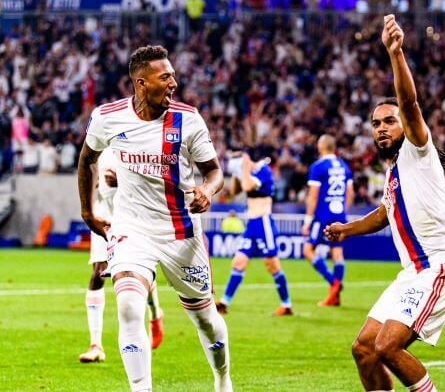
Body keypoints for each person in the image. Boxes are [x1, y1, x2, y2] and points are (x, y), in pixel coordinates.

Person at [325, 15, 445, 392]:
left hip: (439, 266)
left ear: (405, 124)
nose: (382, 128)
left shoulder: (418, 152)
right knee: (364, 349)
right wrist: (347, 229)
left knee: (388, 346)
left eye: (389, 121)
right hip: (412, 272)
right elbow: (384, 214)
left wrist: (395, 53)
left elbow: (409, 101)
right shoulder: (394, 173)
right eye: (376, 124)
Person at [78, 45, 231, 391]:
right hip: (131, 229)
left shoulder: (188, 119)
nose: (174, 82)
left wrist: (208, 190)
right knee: (129, 307)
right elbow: (87, 158)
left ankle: (223, 379)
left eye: (173, 75)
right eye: (165, 77)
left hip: (181, 232)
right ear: (142, 83)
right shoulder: (108, 117)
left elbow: (214, 171)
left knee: (206, 320)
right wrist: (87, 211)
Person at [79, 148, 165, 363]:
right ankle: (96, 345)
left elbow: (152, 181)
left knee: (137, 272)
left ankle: (155, 313)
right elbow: (87, 168)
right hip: (103, 214)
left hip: (131, 215)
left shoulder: (136, 144)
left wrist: (122, 181)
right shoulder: (99, 143)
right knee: (98, 273)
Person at [216, 153, 292, 316]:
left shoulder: (263, 170)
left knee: (272, 264)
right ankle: (224, 303)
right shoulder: (248, 173)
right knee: (238, 262)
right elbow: (235, 191)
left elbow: (248, 187)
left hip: (263, 222)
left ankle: (286, 305)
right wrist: (236, 172)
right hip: (251, 225)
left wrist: (244, 167)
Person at [301, 134, 354, 307]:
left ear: (320, 146)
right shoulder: (344, 166)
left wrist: (307, 220)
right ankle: (334, 297)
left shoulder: (318, 167)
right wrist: (344, 212)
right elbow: (350, 193)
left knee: (308, 250)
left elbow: (313, 196)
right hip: (340, 215)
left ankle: (333, 283)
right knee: (337, 253)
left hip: (322, 215)